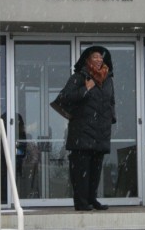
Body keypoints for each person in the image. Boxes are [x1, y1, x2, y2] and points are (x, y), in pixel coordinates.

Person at [59, 46, 116, 211]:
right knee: (81, 172)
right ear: (87, 60)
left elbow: (111, 101)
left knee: (96, 171)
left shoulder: (108, 80)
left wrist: (111, 117)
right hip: (82, 134)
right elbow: (64, 98)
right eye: (95, 57)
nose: (99, 60)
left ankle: (92, 199)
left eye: (101, 58)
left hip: (101, 133)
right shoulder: (79, 77)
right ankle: (81, 202)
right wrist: (86, 88)